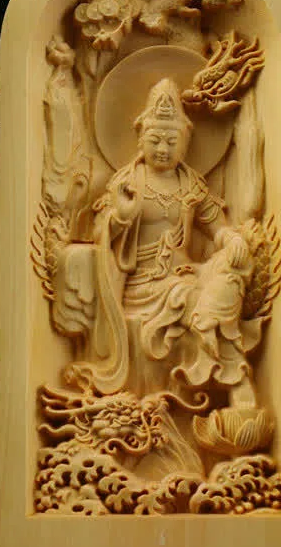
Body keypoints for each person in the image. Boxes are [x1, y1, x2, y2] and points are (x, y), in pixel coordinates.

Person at [57, 78, 263, 407]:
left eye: (171, 141)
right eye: (155, 140)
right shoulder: (129, 181)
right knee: (195, 298)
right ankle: (233, 376)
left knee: (231, 268)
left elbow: (216, 226)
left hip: (183, 275)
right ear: (141, 139)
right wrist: (121, 215)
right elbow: (99, 233)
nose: (163, 149)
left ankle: (228, 367)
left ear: (185, 143)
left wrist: (231, 239)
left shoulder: (190, 183)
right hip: (143, 286)